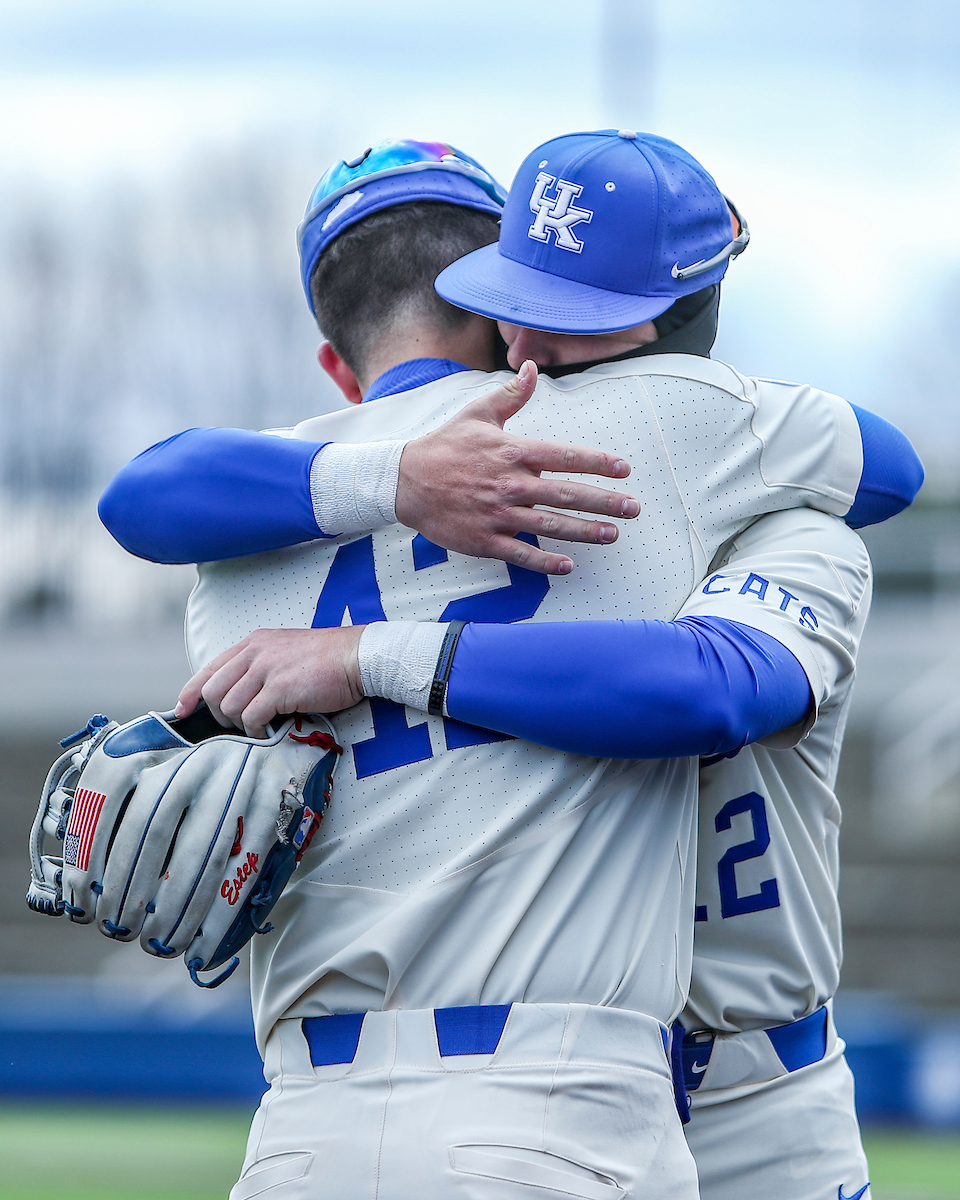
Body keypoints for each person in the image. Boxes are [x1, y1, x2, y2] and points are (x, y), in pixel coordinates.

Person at [100, 134, 920, 1199]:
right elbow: (887, 468)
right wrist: (402, 483)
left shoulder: (232, 542)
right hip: (577, 1091)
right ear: (491, 320)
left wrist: (372, 620)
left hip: (314, 1115)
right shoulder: (683, 427)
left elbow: (136, 497)